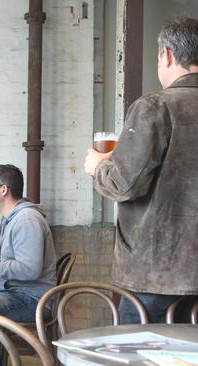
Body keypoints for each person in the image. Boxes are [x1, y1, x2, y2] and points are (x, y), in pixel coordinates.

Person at [84, 17, 198, 324]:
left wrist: (99, 167)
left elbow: (124, 184)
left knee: (138, 354)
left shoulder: (155, 107)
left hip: (156, 274)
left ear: (168, 55)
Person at [0, 164, 57, 322]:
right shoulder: (10, 219)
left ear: (3, 190)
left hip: (30, 299)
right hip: (10, 291)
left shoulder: (26, 220)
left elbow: (29, 270)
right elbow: (5, 269)